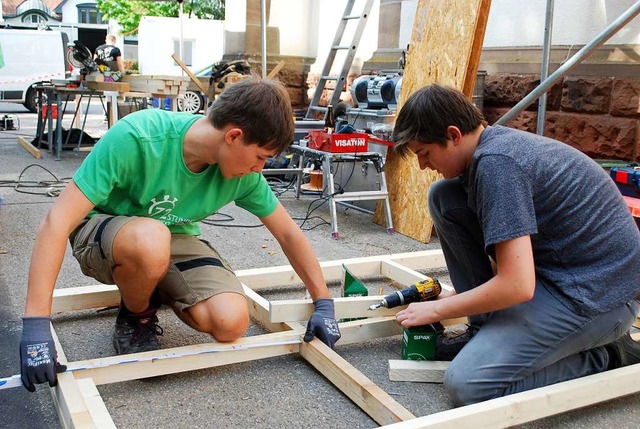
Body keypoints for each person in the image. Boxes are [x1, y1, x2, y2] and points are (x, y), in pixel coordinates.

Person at [19, 77, 341, 392]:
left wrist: (323, 302)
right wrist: (36, 326)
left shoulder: (242, 177)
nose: (260, 169)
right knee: (150, 240)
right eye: (260, 157)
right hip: (103, 230)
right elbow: (56, 224)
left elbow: (288, 235)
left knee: (231, 322)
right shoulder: (138, 138)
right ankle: (135, 315)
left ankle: (149, 281)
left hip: (169, 239)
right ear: (234, 136)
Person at [392, 83, 640, 406]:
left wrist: (437, 308)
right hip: (563, 274)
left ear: (453, 135)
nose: (423, 165)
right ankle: (483, 329)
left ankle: (604, 355)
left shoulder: (497, 166)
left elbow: (518, 284)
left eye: (424, 153)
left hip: (599, 298)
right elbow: (511, 270)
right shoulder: (485, 154)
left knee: (466, 384)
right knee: (444, 197)